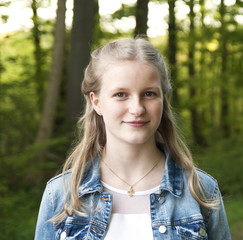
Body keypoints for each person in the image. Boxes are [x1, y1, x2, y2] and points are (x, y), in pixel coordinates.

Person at [35, 38, 231, 240]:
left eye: (149, 93)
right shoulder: (60, 194)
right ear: (97, 102)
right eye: (121, 94)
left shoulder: (201, 190)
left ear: (163, 99)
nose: (137, 109)